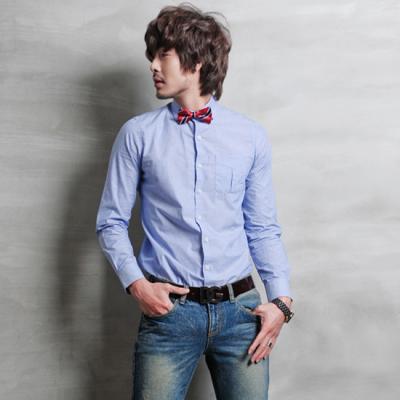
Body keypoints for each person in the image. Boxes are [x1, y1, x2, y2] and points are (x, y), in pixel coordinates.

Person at [95, 3, 294, 399]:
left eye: (163, 54)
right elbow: (110, 222)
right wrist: (138, 285)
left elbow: (261, 227)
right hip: (170, 316)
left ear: (197, 60)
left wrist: (281, 302)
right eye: (152, 55)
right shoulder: (137, 135)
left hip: (242, 313)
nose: (153, 65)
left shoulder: (249, 136)